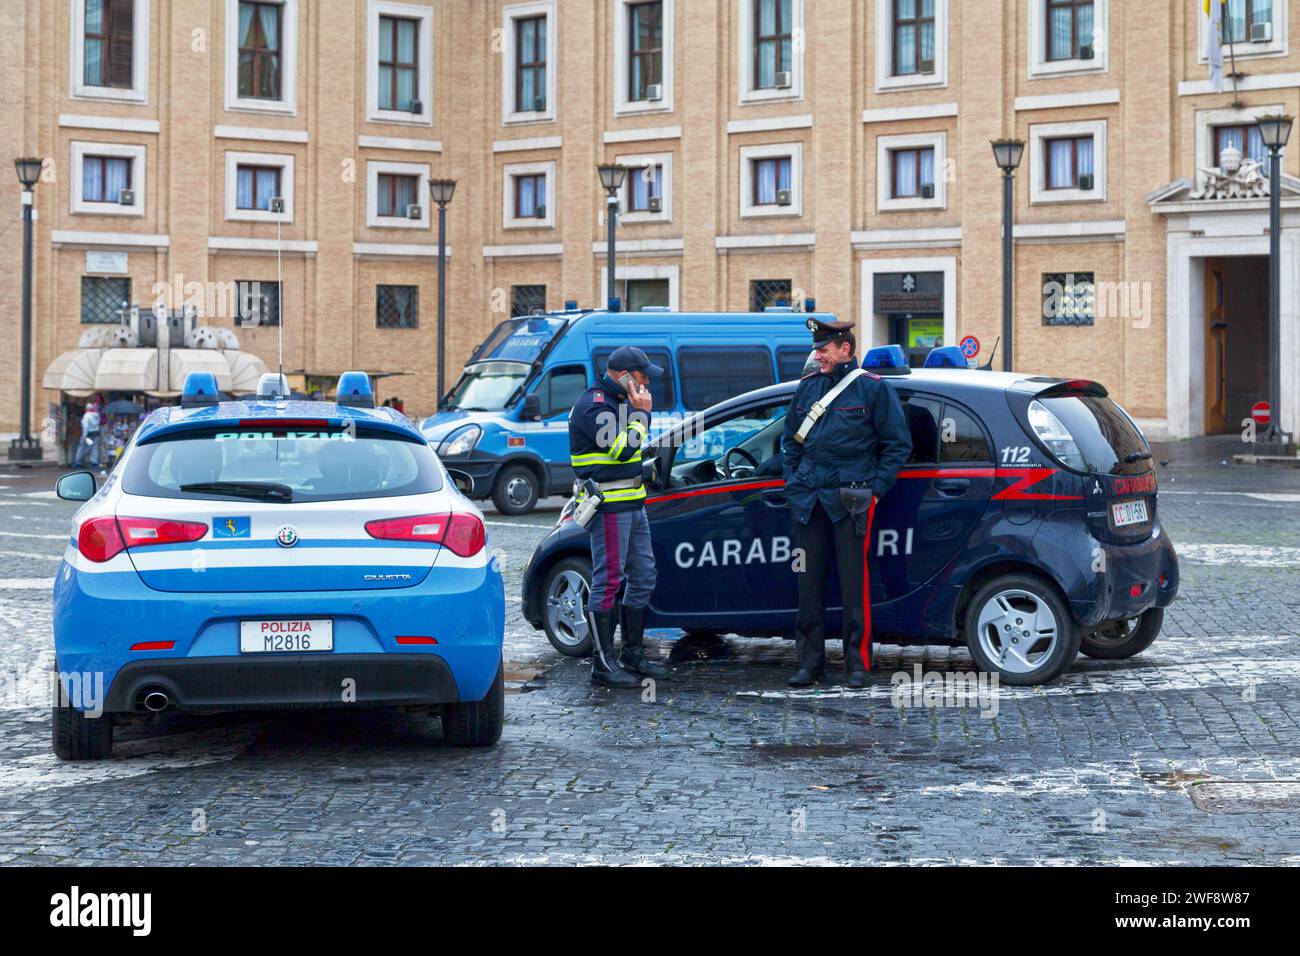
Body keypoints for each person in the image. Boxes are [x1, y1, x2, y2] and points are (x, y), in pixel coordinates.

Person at [781, 318, 912, 688]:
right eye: (816, 349)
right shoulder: (806, 389)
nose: (817, 355)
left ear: (845, 350)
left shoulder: (872, 390)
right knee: (808, 585)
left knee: (855, 587)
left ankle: (857, 664)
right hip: (810, 499)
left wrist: (875, 489)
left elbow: (897, 445)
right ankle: (809, 662)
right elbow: (790, 439)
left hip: (851, 499)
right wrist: (794, 481)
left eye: (824, 349)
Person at [568, 346, 669, 689]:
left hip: (633, 502)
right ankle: (602, 663)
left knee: (643, 576)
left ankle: (633, 654)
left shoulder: (623, 402)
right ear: (624, 375)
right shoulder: (593, 405)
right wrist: (642, 414)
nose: (646, 383)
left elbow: (634, 451)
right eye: (642, 376)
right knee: (608, 581)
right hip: (610, 505)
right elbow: (623, 448)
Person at [73, 403, 100, 469]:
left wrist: (84, 436)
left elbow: (85, 426)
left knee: (82, 448)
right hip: (96, 434)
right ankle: (95, 463)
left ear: (86, 409)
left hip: (88, 435)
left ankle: (77, 463)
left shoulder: (86, 416)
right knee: (94, 448)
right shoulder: (97, 415)